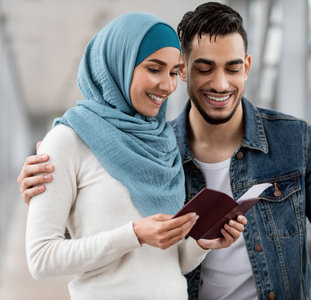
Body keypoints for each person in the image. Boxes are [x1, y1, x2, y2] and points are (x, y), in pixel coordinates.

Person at [18, 2, 311, 300]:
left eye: (232, 68)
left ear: (248, 68)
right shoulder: (161, 149)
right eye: (204, 69)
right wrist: (46, 193)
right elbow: (69, 246)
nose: (221, 84)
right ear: (187, 71)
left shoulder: (294, 141)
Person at [20, 11, 246, 299]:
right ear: (120, 65)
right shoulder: (67, 141)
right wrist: (133, 235)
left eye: (174, 72)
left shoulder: (163, 144)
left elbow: (173, 262)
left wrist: (203, 241)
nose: (167, 85)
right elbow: (41, 259)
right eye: (154, 69)